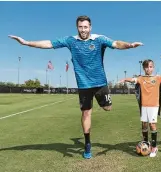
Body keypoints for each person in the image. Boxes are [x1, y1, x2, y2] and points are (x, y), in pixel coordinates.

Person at [9, 15, 143, 159]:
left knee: (107, 108)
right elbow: (49, 43)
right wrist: (27, 43)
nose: (83, 30)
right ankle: (87, 144)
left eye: (86, 27)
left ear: (90, 27)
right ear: (77, 27)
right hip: (84, 85)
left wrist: (129, 45)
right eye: (80, 27)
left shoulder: (99, 39)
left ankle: (101, 103)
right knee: (86, 113)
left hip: (100, 83)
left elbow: (116, 43)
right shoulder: (71, 41)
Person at [119, 59, 161, 157]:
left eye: (150, 66)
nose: (148, 69)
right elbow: (133, 79)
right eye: (146, 67)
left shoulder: (157, 78)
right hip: (143, 106)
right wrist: (124, 79)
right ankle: (146, 143)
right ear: (143, 68)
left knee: (152, 125)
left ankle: (154, 148)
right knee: (144, 125)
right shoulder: (141, 78)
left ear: (153, 67)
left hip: (154, 106)